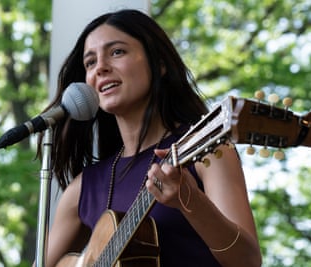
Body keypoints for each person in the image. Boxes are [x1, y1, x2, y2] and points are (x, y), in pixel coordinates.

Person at [37, 9, 262, 267]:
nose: (100, 67)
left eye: (117, 52)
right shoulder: (83, 188)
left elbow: (249, 261)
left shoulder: (208, 151)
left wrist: (191, 201)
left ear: (160, 63)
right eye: (90, 62)